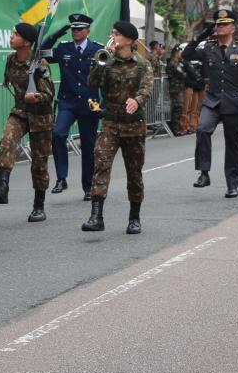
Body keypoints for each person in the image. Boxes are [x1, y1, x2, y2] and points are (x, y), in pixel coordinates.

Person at [81, 21, 153, 234]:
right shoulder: (106, 60)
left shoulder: (142, 64)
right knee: (101, 164)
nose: (113, 36)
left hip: (133, 125)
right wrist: (101, 63)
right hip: (111, 123)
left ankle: (134, 217)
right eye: (112, 33)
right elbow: (91, 83)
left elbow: (147, 88)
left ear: (129, 40)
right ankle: (96, 216)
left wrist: (137, 100)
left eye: (117, 34)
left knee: (134, 173)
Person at [182, 9, 238, 198]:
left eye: (224, 24)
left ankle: (232, 184)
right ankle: (204, 173)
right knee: (202, 129)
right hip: (213, 100)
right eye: (218, 24)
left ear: (232, 28)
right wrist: (202, 35)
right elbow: (186, 54)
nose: (220, 27)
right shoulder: (209, 48)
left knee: (233, 145)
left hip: (234, 102)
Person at [0, 23, 55, 223]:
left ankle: (39, 206)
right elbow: (9, 81)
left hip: (41, 117)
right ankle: (3, 188)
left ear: (26, 42)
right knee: (6, 142)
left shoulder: (40, 63)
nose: (11, 36)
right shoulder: (11, 60)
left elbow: (49, 94)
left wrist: (35, 96)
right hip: (20, 112)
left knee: (39, 163)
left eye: (16, 34)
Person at [40, 13, 103, 201]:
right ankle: (61, 178)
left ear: (88, 30)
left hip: (89, 103)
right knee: (58, 134)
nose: (76, 32)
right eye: (74, 29)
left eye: (80, 29)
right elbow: (41, 52)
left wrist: (104, 104)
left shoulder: (97, 49)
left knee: (88, 145)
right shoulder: (63, 48)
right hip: (67, 101)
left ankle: (88, 186)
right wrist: (54, 36)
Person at [166, 44, 187, 135]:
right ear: (176, 53)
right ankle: (175, 129)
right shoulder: (173, 63)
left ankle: (177, 127)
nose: (180, 54)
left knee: (178, 108)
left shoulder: (177, 62)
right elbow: (182, 74)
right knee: (177, 108)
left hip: (178, 88)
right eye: (179, 52)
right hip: (175, 89)